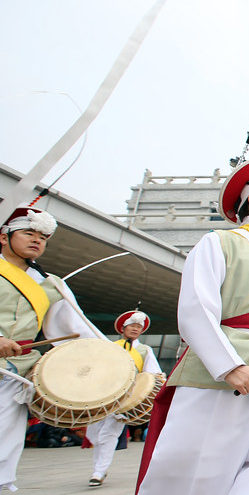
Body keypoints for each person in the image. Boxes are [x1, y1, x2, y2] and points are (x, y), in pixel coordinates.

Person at [136, 158, 249, 494]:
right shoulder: (219, 242)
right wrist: (230, 366)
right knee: (201, 471)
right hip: (222, 370)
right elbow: (195, 310)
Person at [0, 206, 104, 492]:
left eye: (43, 237)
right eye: (28, 233)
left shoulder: (50, 285)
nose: (37, 240)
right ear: (3, 237)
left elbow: (80, 331)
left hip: (16, 371)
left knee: (5, 438)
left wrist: (109, 363)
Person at [86, 311, 163, 487]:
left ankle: (98, 471)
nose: (135, 329)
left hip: (125, 397)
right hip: (102, 394)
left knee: (109, 434)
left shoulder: (145, 350)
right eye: (132, 326)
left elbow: (152, 374)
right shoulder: (110, 346)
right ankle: (99, 468)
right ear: (123, 328)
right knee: (94, 434)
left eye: (139, 327)